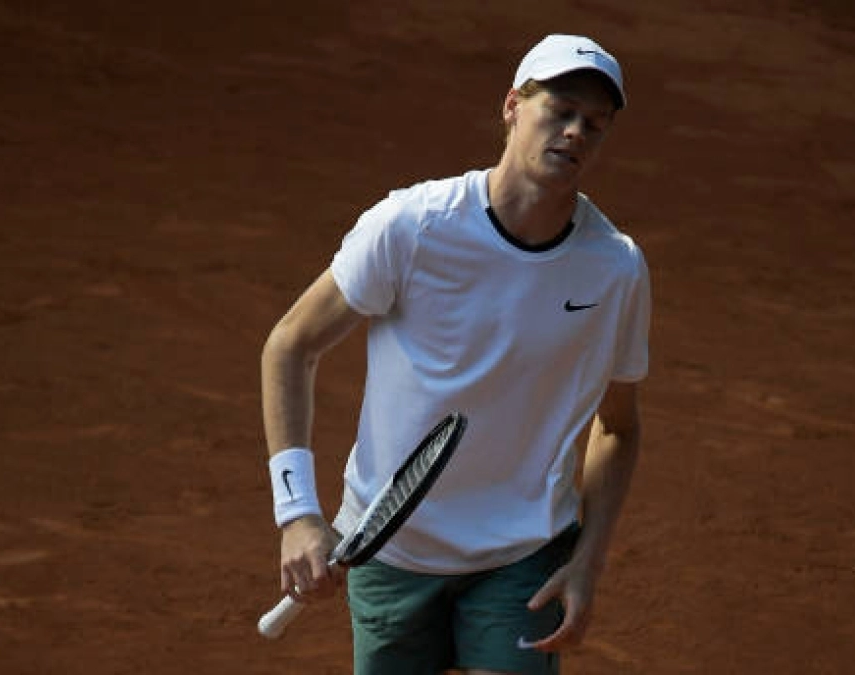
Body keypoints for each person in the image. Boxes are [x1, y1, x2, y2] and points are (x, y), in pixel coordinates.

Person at [260, 33, 651, 675]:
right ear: (512, 107)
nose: (576, 132)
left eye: (595, 122)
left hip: (523, 555)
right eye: (560, 111)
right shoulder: (412, 227)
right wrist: (297, 513)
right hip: (391, 550)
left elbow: (618, 427)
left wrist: (588, 560)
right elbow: (290, 345)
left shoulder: (615, 269)